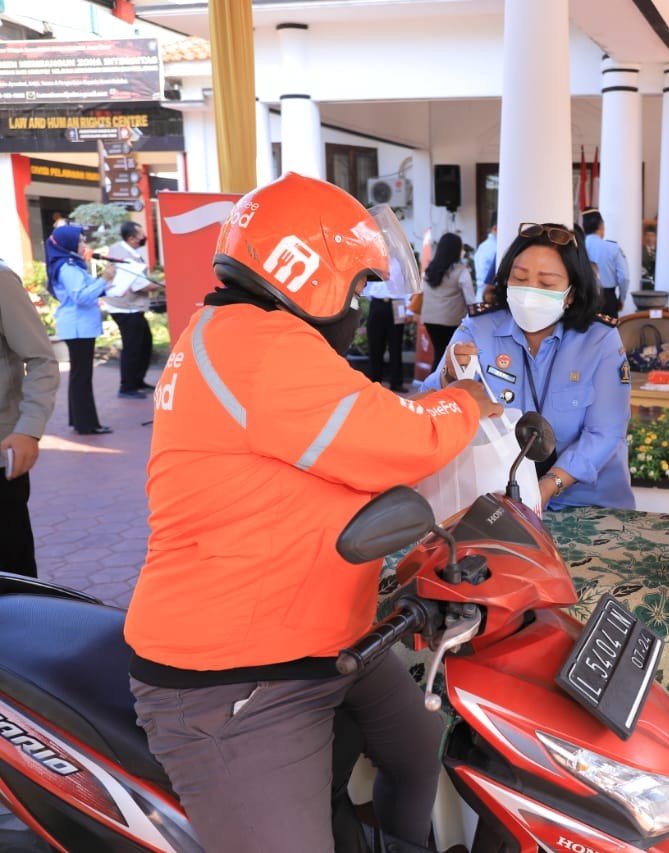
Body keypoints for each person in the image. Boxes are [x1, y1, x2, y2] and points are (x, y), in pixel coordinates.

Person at [123, 173, 503, 853]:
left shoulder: (238, 330)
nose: (360, 306)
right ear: (306, 271)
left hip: (322, 638)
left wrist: (436, 396)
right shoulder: (262, 348)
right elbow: (404, 440)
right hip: (235, 679)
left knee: (419, 749)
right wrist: (469, 399)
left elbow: (355, 417)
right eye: (358, 287)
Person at [420, 222, 635, 512]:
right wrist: (449, 376)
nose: (530, 291)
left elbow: (606, 432)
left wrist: (546, 488)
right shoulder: (478, 328)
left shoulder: (600, 340)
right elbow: (429, 402)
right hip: (494, 502)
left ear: (571, 293)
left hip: (586, 504)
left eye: (546, 284)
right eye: (519, 278)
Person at [1, 261, 58, 577]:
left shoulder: (1, 280)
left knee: (13, 582)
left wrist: (29, 429)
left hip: (2, 454)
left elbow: (41, 360)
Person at [45, 224, 114, 435]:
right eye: (81, 241)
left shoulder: (70, 263)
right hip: (78, 326)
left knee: (79, 375)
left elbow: (84, 290)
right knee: (81, 375)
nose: (84, 244)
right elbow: (81, 296)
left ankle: (80, 421)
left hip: (78, 325)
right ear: (68, 243)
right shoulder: (67, 266)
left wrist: (103, 283)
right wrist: (104, 279)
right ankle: (87, 424)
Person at [104, 221, 159, 398]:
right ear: (131, 239)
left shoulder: (130, 251)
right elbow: (139, 285)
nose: (144, 237)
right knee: (133, 347)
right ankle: (127, 387)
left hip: (132, 307)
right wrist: (163, 285)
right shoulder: (122, 254)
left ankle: (137, 380)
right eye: (141, 234)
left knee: (144, 344)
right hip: (124, 308)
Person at [418, 232, 473, 372]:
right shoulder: (460, 271)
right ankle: (443, 388)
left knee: (439, 352)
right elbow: (470, 298)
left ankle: (433, 386)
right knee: (449, 355)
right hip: (451, 320)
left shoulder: (430, 269)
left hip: (430, 319)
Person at [364, 255, 412, 392]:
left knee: (396, 345)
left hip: (397, 304)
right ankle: (374, 381)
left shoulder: (402, 261)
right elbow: (367, 283)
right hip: (377, 303)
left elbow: (407, 284)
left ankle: (396, 382)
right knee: (375, 345)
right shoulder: (373, 259)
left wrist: (409, 310)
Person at [582, 209, 629, 317]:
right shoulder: (613, 248)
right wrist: (621, 298)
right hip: (608, 298)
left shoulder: (578, 247)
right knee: (608, 332)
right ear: (601, 226)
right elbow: (624, 277)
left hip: (584, 299)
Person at [472, 210, 499, 296]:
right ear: (495, 228)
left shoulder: (483, 246)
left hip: (481, 295)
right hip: (489, 296)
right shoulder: (496, 248)